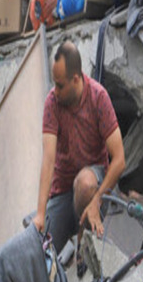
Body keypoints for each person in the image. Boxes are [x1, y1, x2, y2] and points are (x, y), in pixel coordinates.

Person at [33, 40, 126, 253]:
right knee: (39, 250)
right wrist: (40, 213)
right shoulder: (52, 104)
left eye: (60, 85)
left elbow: (119, 160)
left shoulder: (98, 97)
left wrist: (97, 200)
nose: (55, 91)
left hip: (93, 187)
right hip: (63, 192)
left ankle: (84, 245)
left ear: (76, 79)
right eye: (53, 84)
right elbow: (48, 160)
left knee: (84, 182)